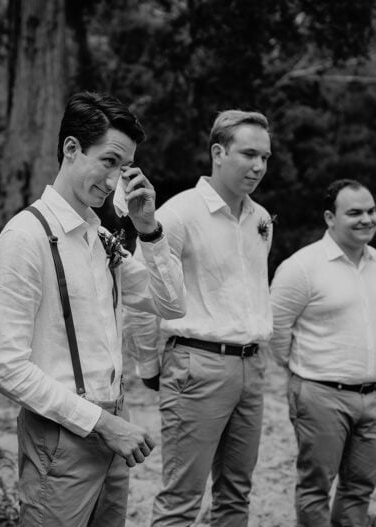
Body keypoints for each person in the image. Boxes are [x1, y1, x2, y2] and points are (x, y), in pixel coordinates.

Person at [0, 91, 186, 527]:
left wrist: (149, 228)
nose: (114, 182)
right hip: (62, 433)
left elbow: (171, 305)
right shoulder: (23, 239)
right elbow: (4, 367)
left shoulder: (101, 238)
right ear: (72, 148)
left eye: (124, 168)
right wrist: (101, 424)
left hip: (116, 428)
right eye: (109, 161)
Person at [123, 109, 274, 526]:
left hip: (252, 365)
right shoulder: (178, 214)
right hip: (197, 363)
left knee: (237, 493)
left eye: (265, 157)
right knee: (182, 498)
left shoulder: (261, 218)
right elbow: (141, 295)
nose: (259, 166)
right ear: (218, 153)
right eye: (249, 154)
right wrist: (149, 365)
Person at [269, 179, 376, 526]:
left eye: (371, 211)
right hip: (321, 395)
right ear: (330, 217)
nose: (367, 219)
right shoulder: (302, 266)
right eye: (354, 213)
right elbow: (276, 327)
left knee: (360, 487)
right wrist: (300, 370)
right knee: (316, 486)